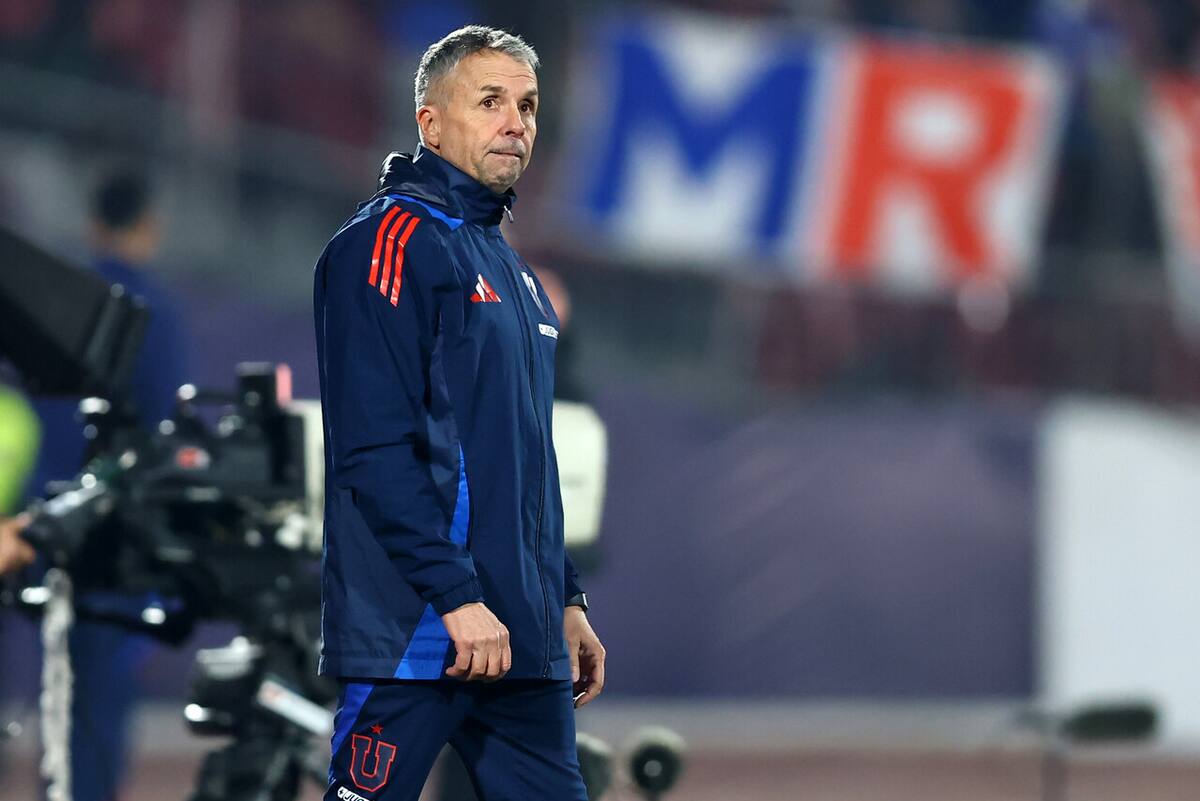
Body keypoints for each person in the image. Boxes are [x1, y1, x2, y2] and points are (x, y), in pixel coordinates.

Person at [314, 25, 605, 801]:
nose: (517, 122)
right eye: (491, 102)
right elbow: (372, 450)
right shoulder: (385, 243)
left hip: (520, 639)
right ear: (430, 122)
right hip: (420, 634)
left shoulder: (516, 274)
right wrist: (455, 594)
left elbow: (526, 459)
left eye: (529, 105)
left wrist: (564, 596)